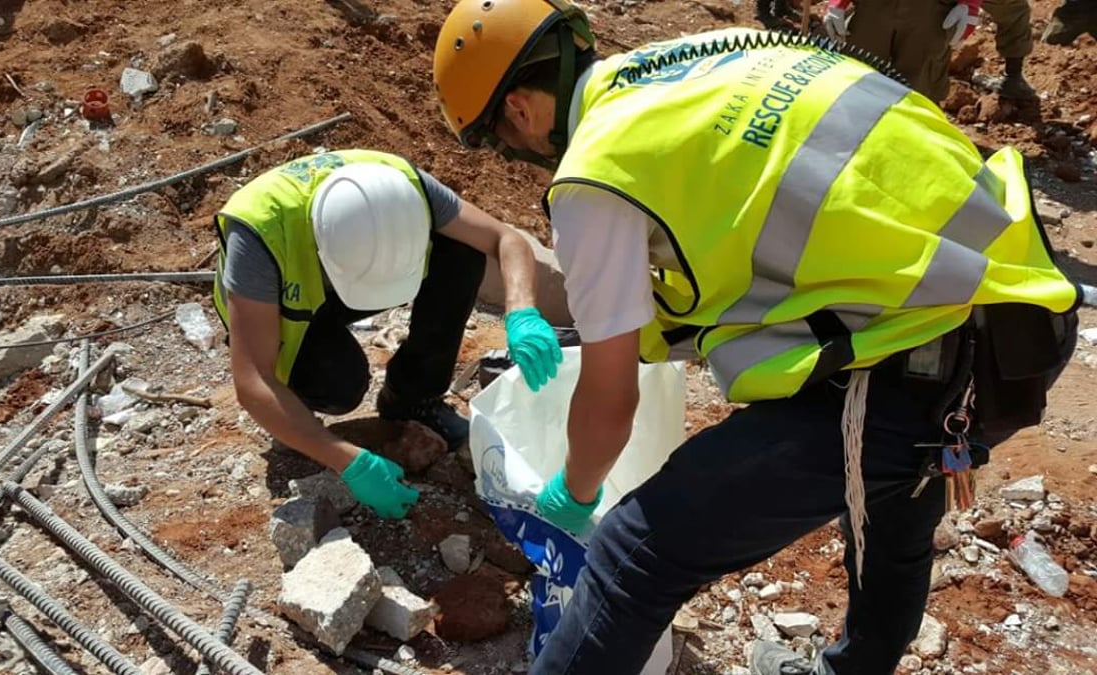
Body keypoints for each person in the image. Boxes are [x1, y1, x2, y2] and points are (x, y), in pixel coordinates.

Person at [432, 2, 1080, 674]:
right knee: (892, 503)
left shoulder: (595, 169)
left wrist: (576, 490)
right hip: (1018, 305)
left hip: (925, 356)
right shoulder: (707, 58)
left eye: (497, 141)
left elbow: (611, 401)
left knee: (633, 550)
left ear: (518, 110)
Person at [213, 148, 562, 519]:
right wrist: (345, 460)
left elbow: (505, 239)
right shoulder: (257, 234)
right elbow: (252, 379)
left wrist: (522, 310)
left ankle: (413, 399)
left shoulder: (404, 189)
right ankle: (295, 416)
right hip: (276, 310)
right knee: (338, 386)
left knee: (463, 249)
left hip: (355, 277)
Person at [822, 0, 982, 102]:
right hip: (873, 8)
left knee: (918, 91)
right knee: (857, 79)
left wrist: (970, 4)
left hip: (929, 11)